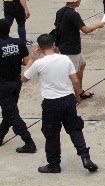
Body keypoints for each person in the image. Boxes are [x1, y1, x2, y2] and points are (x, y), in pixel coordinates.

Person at [21, 33, 98, 173]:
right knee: (75, 129)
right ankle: (85, 157)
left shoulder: (39, 63)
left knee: (51, 134)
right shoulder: (65, 59)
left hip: (51, 103)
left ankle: (54, 164)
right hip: (68, 99)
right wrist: (78, 96)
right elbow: (75, 80)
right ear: (53, 45)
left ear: (39, 48)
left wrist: (31, 58)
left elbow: (24, 78)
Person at [52, 0, 105, 100]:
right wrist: (98, 25)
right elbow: (85, 30)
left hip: (64, 45)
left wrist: (57, 44)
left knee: (82, 64)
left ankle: (79, 90)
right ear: (75, 1)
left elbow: (57, 28)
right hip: (71, 48)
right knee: (74, 73)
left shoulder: (60, 11)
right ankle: (76, 96)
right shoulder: (73, 14)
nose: (80, 0)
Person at [0, 19, 35, 153]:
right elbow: (26, 61)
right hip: (16, 82)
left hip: (3, 85)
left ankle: (29, 142)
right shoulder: (19, 42)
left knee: (12, 114)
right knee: (9, 111)